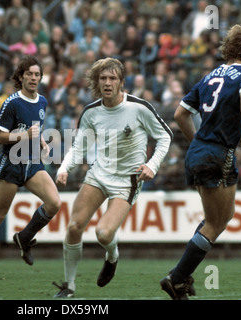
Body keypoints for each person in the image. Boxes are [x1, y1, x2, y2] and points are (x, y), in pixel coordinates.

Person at [53, 57, 173, 297]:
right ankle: (68, 286)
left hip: (127, 181)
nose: (107, 83)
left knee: (103, 234)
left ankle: (112, 255)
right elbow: (80, 147)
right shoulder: (91, 112)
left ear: (121, 83)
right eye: (103, 78)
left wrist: (152, 165)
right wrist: (64, 167)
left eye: (112, 78)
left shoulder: (138, 107)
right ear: (98, 83)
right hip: (98, 174)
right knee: (75, 226)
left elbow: (165, 136)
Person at [160, 24, 241, 300]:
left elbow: (180, 114)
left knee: (214, 219)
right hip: (220, 153)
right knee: (219, 222)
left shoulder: (208, 76)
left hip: (196, 153)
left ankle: (182, 277)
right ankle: (177, 277)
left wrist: (197, 142)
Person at [0, 56, 61, 279]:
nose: (33, 78)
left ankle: (24, 237)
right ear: (20, 77)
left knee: (54, 203)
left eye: (37, 74)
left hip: (32, 163)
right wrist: (24, 135)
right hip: (11, 164)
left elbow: (36, 128)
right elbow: (0, 137)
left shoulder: (42, 101)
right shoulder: (12, 102)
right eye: (29, 74)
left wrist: (40, 142)